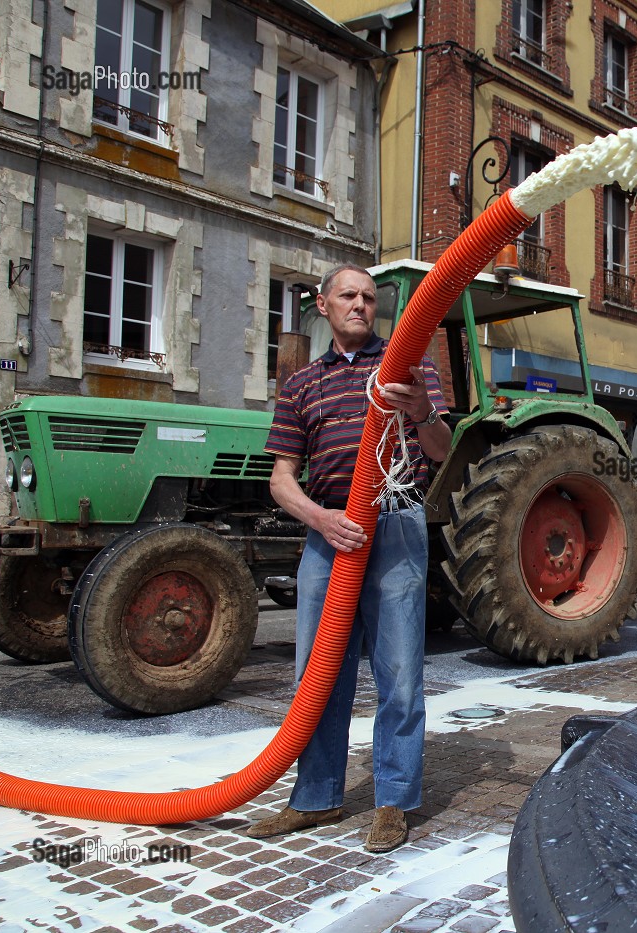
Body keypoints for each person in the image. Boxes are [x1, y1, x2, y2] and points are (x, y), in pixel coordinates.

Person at [247, 263, 452, 853]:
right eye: (348, 296)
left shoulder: (408, 367)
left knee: (400, 675)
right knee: (317, 676)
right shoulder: (302, 384)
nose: (360, 305)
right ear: (324, 305)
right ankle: (315, 798)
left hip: (395, 527)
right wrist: (321, 519)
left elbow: (440, 451)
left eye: (368, 297)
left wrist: (419, 412)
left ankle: (393, 802)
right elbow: (281, 479)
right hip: (327, 534)